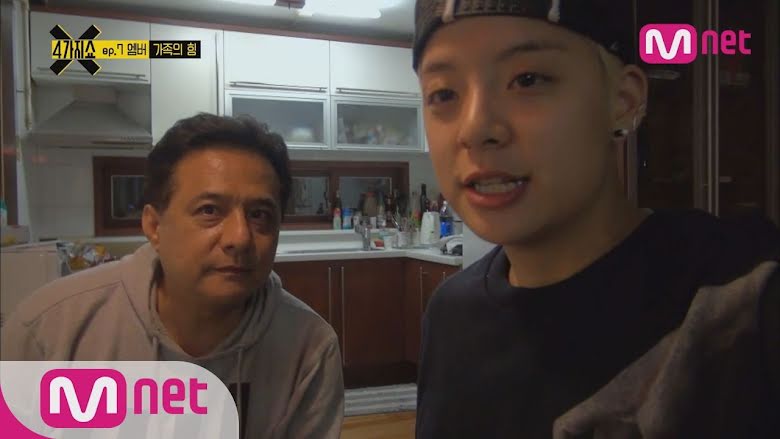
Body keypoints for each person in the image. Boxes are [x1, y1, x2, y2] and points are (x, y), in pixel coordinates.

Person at [411, 1, 780, 437]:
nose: (475, 129)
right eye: (444, 94)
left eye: (528, 80)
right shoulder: (451, 317)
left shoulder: (745, 301)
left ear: (623, 101)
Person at [1, 114, 344, 438]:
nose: (240, 237)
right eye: (209, 210)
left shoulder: (308, 348)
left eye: (259, 214)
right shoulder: (51, 332)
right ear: (154, 225)